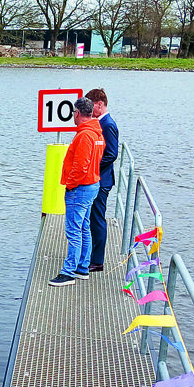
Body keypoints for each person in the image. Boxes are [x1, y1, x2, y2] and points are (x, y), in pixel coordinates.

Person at [50, 97, 105, 287]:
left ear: (78, 113)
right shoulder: (97, 133)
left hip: (80, 188)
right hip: (92, 185)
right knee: (84, 228)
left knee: (73, 230)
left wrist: (70, 184)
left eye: (73, 113)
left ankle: (69, 272)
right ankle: (82, 267)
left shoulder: (84, 135)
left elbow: (81, 166)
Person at [84, 88, 119, 273]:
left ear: (100, 104)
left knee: (97, 219)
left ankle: (97, 260)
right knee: (93, 217)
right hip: (100, 178)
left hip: (102, 180)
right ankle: (93, 256)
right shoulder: (101, 123)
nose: (89, 111)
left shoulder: (108, 124)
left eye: (92, 106)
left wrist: (92, 166)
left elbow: (112, 154)